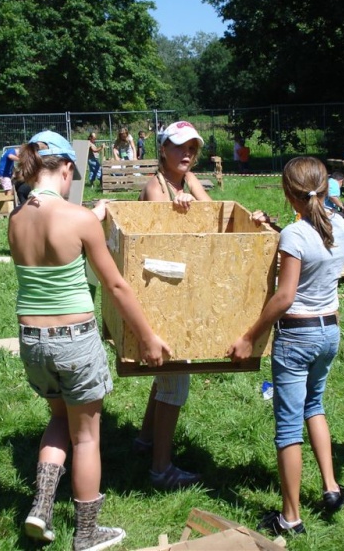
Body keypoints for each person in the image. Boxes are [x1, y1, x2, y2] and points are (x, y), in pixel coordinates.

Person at [9, 130, 170, 550]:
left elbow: (52, 236)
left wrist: (91, 214)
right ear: (66, 168)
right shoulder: (77, 218)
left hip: (32, 341)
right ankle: (86, 533)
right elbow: (115, 286)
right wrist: (148, 337)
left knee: (59, 419)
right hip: (74, 341)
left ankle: (41, 508)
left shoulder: (16, 219)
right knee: (86, 436)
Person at [227, 156, 344, 536]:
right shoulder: (341, 225)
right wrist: (277, 229)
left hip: (297, 336)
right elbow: (312, 246)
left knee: (287, 428)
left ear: (287, 192)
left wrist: (249, 336)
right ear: (325, 188)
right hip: (330, 331)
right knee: (315, 405)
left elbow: (284, 297)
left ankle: (290, 517)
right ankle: (331, 488)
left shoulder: (295, 236)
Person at [134, 121, 211, 489]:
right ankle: (160, 468)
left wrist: (194, 203)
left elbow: (212, 216)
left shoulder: (187, 179)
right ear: (162, 149)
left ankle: (145, 439)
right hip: (161, 295)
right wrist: (178, 211)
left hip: (177, 289)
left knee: (167, 374)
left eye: (192, 148)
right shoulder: (156, 187)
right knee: (176, 381)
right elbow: (163, 245)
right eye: (179, 147)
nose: (187, 154)